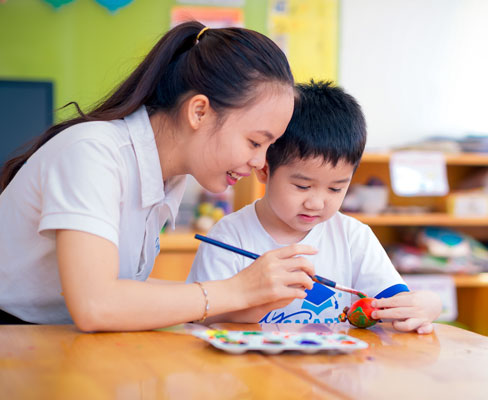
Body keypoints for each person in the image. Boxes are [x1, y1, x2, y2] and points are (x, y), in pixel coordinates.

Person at [0, 22, 318, 330]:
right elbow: (96, 304)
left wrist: (241, 301)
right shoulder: (93, 153)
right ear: (199, 112)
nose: (259, 162)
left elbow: (125, 288)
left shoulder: (169, 176)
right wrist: (236, 291)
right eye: (255, 142)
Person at [188, 80, 442, 333]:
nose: (316, 203)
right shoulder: (228, 237)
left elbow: (395, 302)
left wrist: (429, 304)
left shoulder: (352, 237)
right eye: (302, 186)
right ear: (264, 169)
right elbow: (202, 316)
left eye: (335, 189)